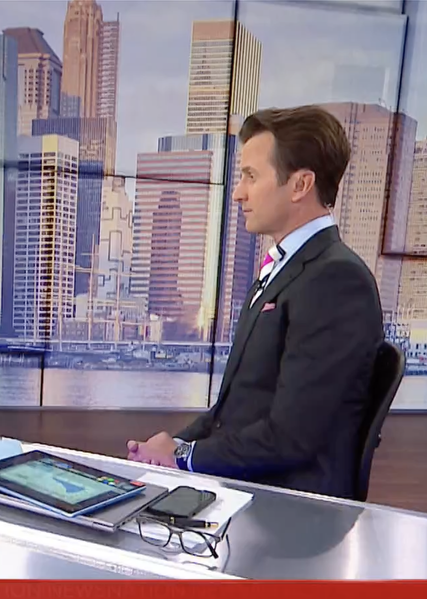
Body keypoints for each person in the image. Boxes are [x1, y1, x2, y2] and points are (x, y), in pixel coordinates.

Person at [127, 105, 384, 499]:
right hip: (245, 486)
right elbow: (233, 412)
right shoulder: (283, 269)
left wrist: (183, 457)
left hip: (288, 511)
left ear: (300, 185)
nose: (238, 192)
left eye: (251, 176)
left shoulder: (336, 281)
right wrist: (170, 449)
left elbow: (291, 437)